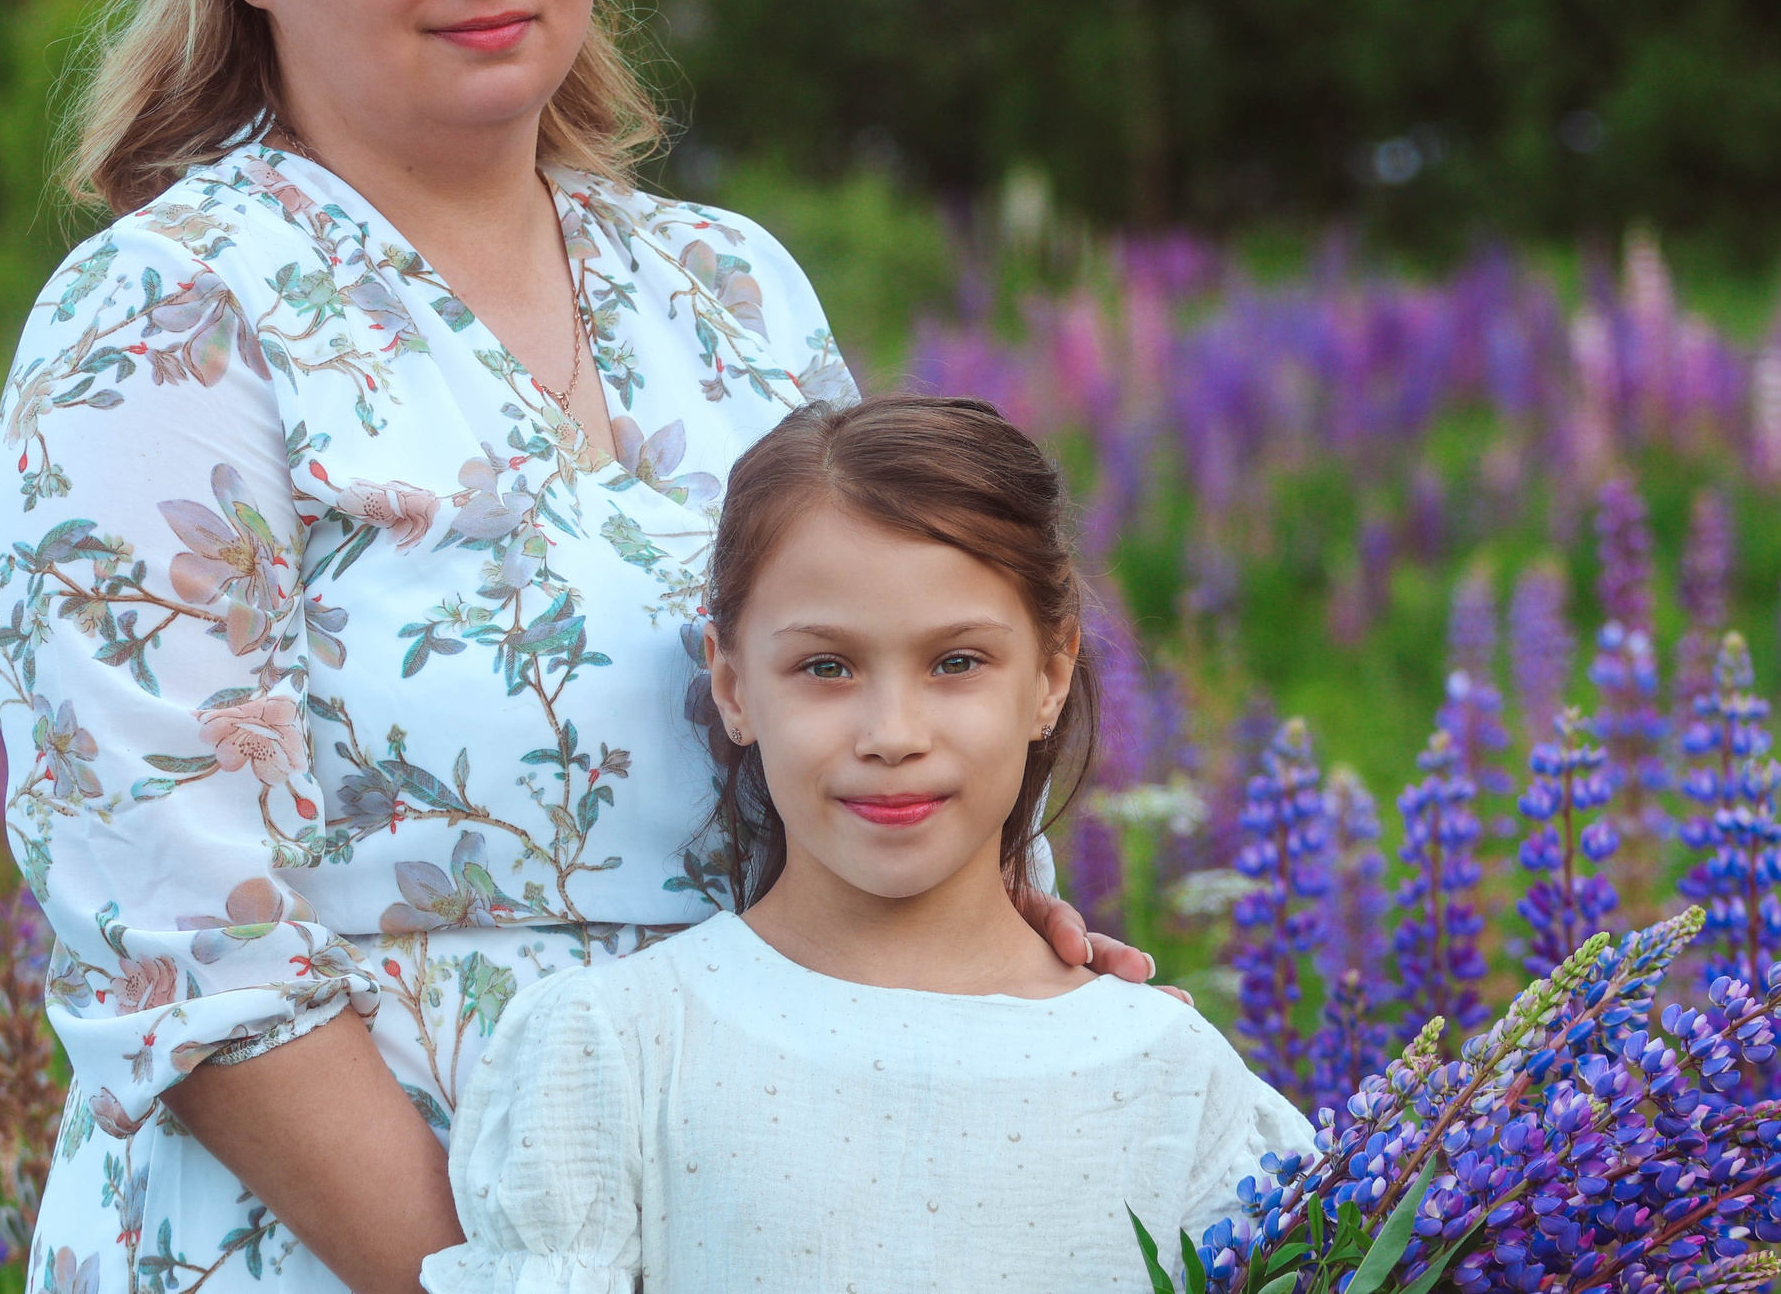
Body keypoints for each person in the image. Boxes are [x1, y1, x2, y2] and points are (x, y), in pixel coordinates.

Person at [0, 0, 1153, 1294]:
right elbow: (184, 952)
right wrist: (501, 1277)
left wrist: (1000, 941)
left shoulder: (725, 284)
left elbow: (899, 689)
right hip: (346, 1240)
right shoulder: (167, 320)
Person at [422, 397, 1317, 1292]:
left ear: (1050, 676)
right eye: (826, 666)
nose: (893, 732)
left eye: (956, 661)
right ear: (732, 683)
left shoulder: (1169, 1072)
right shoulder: (620, 1046)